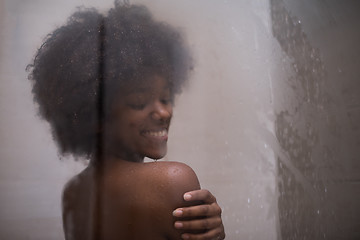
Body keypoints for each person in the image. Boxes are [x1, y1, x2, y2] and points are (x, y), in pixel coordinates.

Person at [27, 1, 225, 239]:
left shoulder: (74, 192)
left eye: (165, 98)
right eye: (139, 103)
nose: (164, 112)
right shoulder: (173, 180)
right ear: (96, 114)